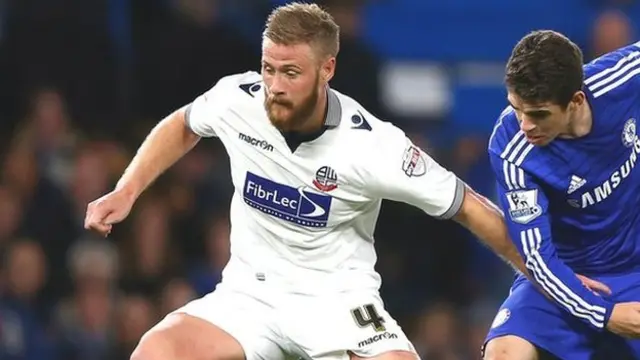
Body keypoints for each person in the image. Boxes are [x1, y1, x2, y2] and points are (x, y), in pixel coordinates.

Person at [86, 3, 536, 360]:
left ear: (327, 70)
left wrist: (547, 279)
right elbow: (183, 124)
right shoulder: (238, 99)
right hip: (250, 296)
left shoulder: (374, 146)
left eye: (291, 73)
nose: (274, 86)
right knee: (155, 351)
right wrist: (127, 190)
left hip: (337, 305)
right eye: (268, 68)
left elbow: (471, 206)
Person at [483, 30, 640, 360]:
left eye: (539, 114)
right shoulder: (511, 148)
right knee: (504, 353)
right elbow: (537, 259)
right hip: (565, 276)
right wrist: (604, 315)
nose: (525, 125)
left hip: (634, 266)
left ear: (576, 101)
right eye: (516, 109)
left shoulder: (624, 78)